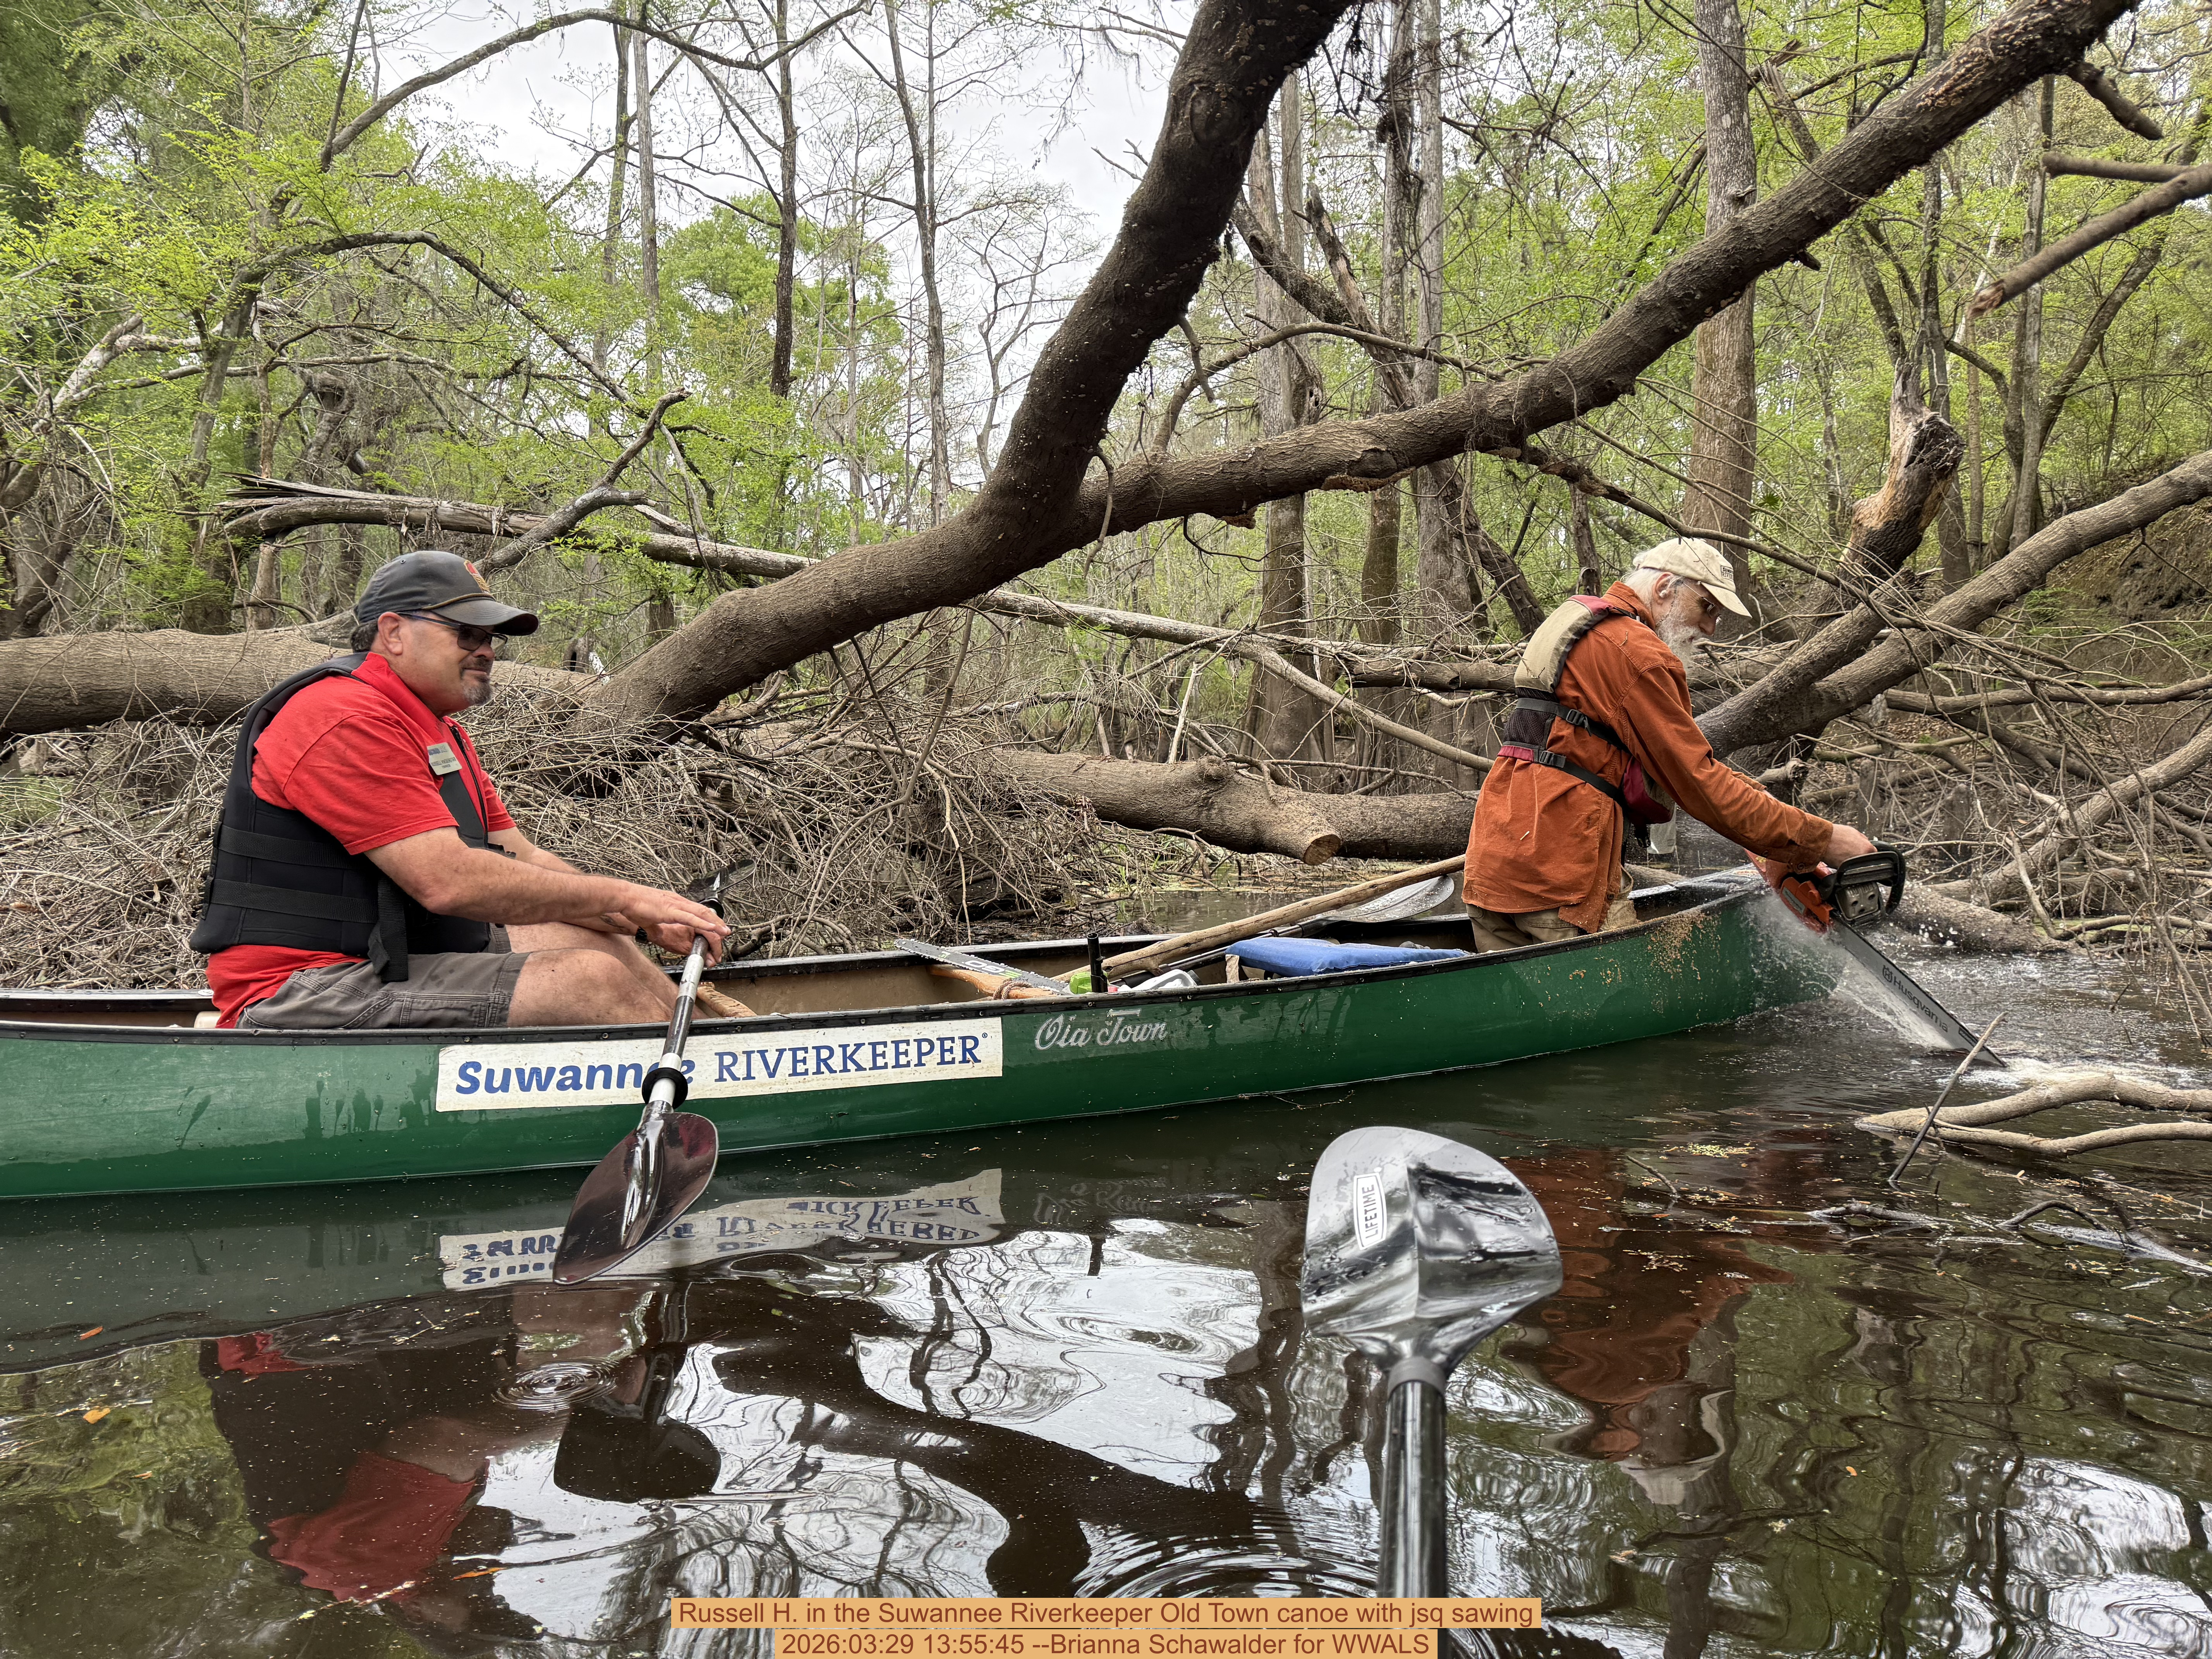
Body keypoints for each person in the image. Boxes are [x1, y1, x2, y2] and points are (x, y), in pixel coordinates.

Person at [191, 550, 729, 1029]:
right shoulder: (342, 716)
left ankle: (714, 1054)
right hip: (301, 987)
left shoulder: (437, 728)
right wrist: (630, 896)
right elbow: (448, 883)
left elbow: (522, 856)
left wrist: (641, 919)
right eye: (465, 634)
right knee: (591, 981)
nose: (486, 651)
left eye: (489, 638)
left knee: (593, 939)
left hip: (394, 958)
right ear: (394, 632)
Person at [1464, 537, 1877, 952]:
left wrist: (1779, 831)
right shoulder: (1636, 653)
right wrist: (1824, 839)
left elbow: (1690, 765)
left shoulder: (1586, 628)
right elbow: (1700, 785)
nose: (1711, 628)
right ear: (1665, 588)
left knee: (1524, 1011)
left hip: (1494, 862)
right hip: (1560, 875)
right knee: (1612, 1006)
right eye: (1707, 608)